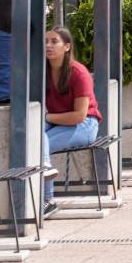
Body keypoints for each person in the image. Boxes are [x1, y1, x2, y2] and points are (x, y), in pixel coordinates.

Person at [41, 26, 101, 214]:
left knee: (41, 146)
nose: (48, 46)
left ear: (67, 47)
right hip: (56, 121)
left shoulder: (78, 73)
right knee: (33, 135)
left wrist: (47, 118)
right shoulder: (41, 71)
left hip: (85, 125)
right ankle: (44, 172)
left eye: (54, 41)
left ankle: (47, 200)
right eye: (45, 41)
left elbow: (79, 115)